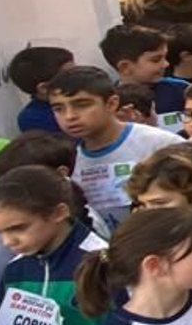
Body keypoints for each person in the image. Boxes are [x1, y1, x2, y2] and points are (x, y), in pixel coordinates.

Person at [0, 167, 105, 325]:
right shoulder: (15, 271)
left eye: (17, 228)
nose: (7, 242)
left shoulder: (103, 266)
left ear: (58, 213)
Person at [47, 66, 183, 232]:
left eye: (82, 105)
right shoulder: (65, 159)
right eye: (58, 108)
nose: (70, 116)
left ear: (111, 103)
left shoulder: (160, 143)